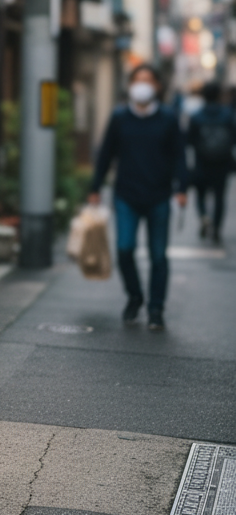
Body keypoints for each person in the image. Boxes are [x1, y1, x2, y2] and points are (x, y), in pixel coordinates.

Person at [88, 63, 188, 330]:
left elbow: (179, 155)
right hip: (126, 195)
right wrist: (95, 187)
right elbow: (106, 154)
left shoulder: (168, 118)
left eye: (148, 80)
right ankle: (135, 296)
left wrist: (182, 189)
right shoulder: (120, 117)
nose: (142, 85)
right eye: (137, 80)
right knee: (124, 249)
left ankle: (156, 309)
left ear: (157, 86)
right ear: (130, 85)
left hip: (159, 196)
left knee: (158, 256)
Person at [187, 81, 235, 243]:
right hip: (222, 163)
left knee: (200, 194)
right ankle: (216, 228)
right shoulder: (228, 115)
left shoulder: (196, 116)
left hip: (201, 162)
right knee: (219, 197)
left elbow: (189, 140)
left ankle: (204, 216)